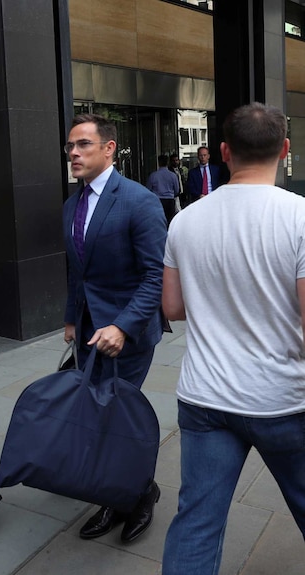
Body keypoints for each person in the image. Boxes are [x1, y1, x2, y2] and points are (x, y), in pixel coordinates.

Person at [161, 102, 305, 574]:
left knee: (197, 523)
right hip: (284, 399)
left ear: (224, 151)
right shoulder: (300, 217)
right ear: (285, 150)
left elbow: (173, 309)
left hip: (205, 398)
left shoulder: (185, 221)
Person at [62, 113, 167, 543]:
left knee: (118, 416)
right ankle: (120, 492)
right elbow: (77, 272)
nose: (73, 153)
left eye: (83, 144)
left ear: (109, 149)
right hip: (88, 331)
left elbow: (155, 276)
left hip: (129, 335)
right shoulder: (72, 204)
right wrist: (71, 317)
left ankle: (136, 495)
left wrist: (123, 327)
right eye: (70, 146)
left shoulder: (138, 200)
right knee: (98, 414)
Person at [147, 154, 180, 226]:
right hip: (170, 201)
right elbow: (177, 190)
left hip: (158, 201)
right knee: (170, 222)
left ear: (159, 162)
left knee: (159, 222)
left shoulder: (153, 175)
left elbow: (148, 190)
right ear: (168, 162)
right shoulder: (173, 175)